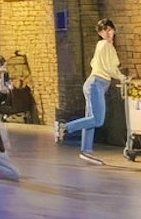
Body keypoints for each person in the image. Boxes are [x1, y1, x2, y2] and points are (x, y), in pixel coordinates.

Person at [56, 18, 131, 165]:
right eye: (104, 31)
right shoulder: (104, 45)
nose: (107, 33)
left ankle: (86, 151)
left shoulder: (105, 46)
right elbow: (109, 68)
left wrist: (121, 76)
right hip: (96, 84)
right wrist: (122, 78)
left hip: (95, 84)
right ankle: (64, 127)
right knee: (97, 120)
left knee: (90, 119)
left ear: (113, 30)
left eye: (109, 29)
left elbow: (98, 64)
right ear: (100, 33)